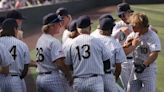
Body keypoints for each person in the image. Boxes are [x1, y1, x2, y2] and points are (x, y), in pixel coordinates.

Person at [65, 15, 112, 92]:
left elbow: (69, 65)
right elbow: (107, 62)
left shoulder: (71, 44)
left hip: (78, 81)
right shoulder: (97, 41)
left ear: (77, 29)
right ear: (89, 28)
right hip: (95, 80)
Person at [35, 13, 72, 92]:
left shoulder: (40, 39)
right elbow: (59, 63)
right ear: (52, 26)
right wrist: (68, 75)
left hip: (39, 78)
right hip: (52, 79)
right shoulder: (53, 41)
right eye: (58, 23)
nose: (60, 25)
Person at [124, 13, 161, 92]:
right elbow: (124, 51)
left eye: (134, 25)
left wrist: (144, 65)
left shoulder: (152, 36)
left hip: (148, 70)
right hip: (135, 69)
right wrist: (129, 44)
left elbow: (155, 53)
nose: (131, 27)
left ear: (141, 25)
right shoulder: (133, 35)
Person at [91, 15, 126, 92]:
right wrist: (114, 80)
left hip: (92, 76)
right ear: (110, 30)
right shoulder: (115, 44)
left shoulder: (92, 39)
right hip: (108, 76)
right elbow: (118, 68)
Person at [0, 18, 30, 92]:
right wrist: (18, 78)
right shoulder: (22, 44)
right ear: (15, 29)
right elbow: (25, 69)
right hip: (15, 80)